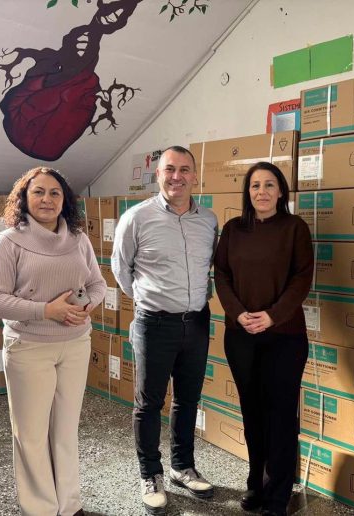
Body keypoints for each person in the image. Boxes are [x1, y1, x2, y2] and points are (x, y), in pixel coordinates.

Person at [0, 166, 106, 516]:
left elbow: (97, 284)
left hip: (75, 344)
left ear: (65, 200)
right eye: (38, 192)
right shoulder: (8, 242)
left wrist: (85, 307)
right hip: (29, 347)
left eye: (54, 193)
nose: (47, 199)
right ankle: (40, 508)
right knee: (32, 434)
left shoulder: (78, 240)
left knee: (65, 430)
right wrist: (46, 310)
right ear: (24, 198)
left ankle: (69, 505)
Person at [111, 146, 218, 515]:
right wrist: (150, 299)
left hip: (197, 322)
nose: (177, 177)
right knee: (149, 404)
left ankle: (182, 467)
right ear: (158, 175)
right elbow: (121, 269)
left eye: (185, 170)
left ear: (195, 176)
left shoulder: (209, 221)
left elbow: (209, 268)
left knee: (188, 400)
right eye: (170, 169)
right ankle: (150, 474)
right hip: (154, 323)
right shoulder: (136, 218)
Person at [213, 162, 314, 516]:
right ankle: (256, 482)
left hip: (285, 336)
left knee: (281, 416)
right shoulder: (233, 229)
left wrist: (271, 315)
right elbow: (221, 275)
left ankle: (278, 495)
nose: (262, 192)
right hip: (240, 335)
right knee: (252, 413)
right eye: (255, 185)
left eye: (269, 185)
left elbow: (302, 278)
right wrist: (238, 313)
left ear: (281, 191)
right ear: (248, 192)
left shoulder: (295, 228)